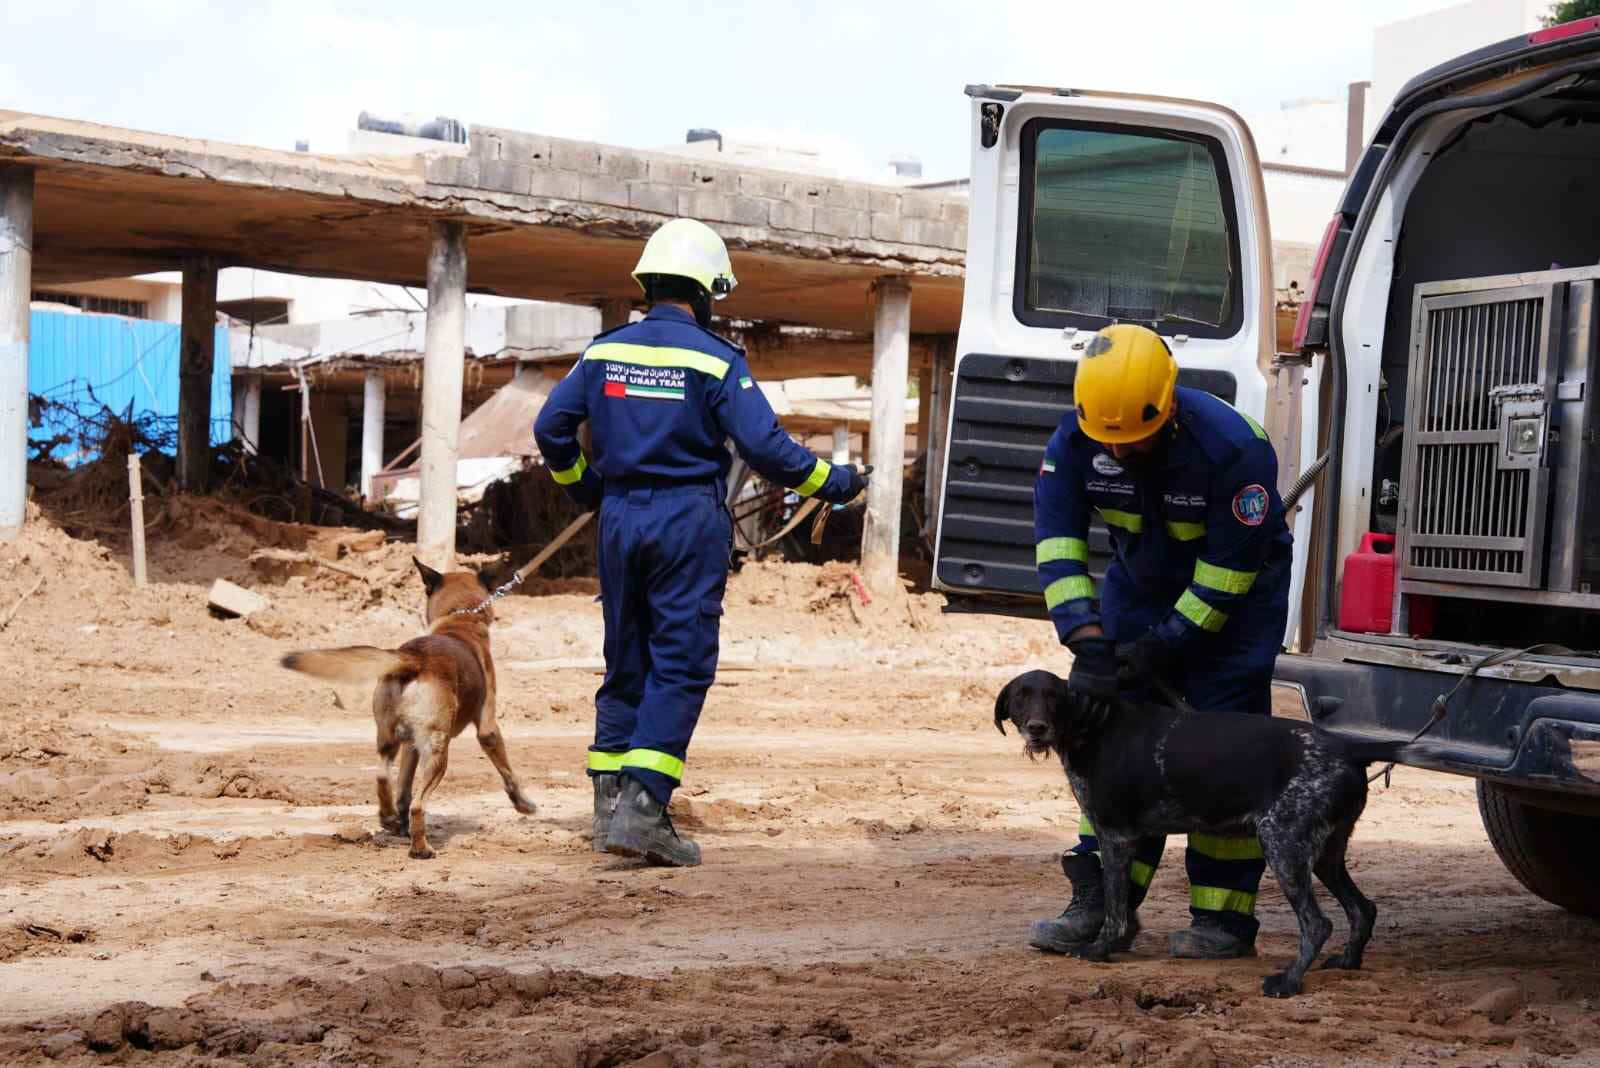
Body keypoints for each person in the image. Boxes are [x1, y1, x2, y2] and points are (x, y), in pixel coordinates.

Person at [534, 218, 868, 868]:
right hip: (686, 521)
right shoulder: (716, 359)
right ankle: (645, 806)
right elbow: (767, 449)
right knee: (680, 664)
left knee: (626, 660)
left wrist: (587, 489)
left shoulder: (604, 351)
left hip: (621, 517)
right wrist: (837, 482)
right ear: (709, 290)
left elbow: (552, 428)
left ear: (648, 283)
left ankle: (609, 810)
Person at [1030, 323, 1293, 959]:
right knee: (1111, 748)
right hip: (1139, 593)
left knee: (1222, 756)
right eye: (1107, 442)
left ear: (1168, 406)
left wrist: (1159, 648)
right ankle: (1101, 903)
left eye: (1134, 442)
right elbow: (1058, 550)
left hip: (1234, 612)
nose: (1117, 454)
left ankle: (1224, 920)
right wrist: (1089, 645)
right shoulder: (1074, 441)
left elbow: (1225, 578)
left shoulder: (1235, 449)